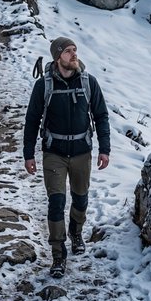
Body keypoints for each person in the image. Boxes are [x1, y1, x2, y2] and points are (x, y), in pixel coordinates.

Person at [23, 36, 110, 278]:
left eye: (75, 50)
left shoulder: (88, 82)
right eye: (68, 51)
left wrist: (105, 148)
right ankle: (58, 255)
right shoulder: (44, 85)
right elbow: (32, 121)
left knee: (80, 200)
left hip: (82, 152)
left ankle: (75, 231)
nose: (74, 54)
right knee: (56, 203)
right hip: (54, 153)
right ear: (57, 56)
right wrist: (28, 154)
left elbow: (101, 116)